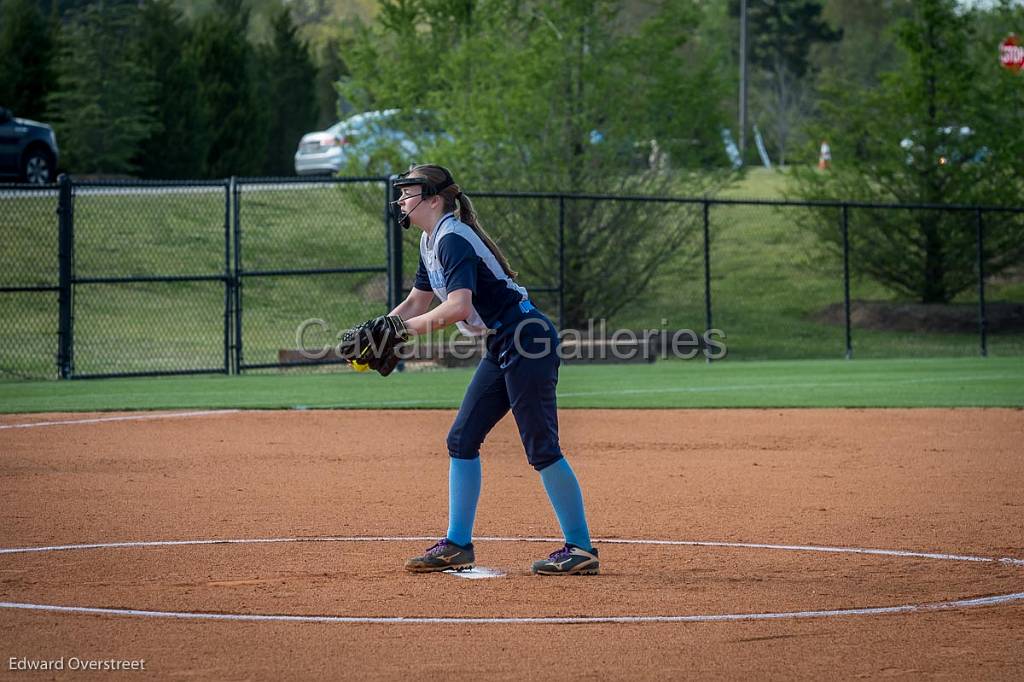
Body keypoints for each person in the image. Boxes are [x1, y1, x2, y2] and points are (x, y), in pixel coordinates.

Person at [384, 163, 598, 576]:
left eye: (409, 192)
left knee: (540, 445)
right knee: (462, 438)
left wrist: (398, 332)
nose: (402, 200)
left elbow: (459, 307)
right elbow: (416, 303)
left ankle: (581, 548)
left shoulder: (452, 238)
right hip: (503, 342)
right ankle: (457, 545)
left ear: (434, 198)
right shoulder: (432, 242)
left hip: (526, 338)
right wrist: (382, 328)